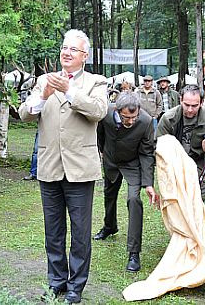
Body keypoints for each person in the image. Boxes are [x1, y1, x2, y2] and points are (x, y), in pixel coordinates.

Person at [19, 29, 108, 304]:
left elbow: (98, 111)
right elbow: (24, 114)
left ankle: (75, 287)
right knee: (53, 231)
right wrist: (44, 95)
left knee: (80, 233)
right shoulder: (44, 80)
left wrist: (69, 90)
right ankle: (56, 283)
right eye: (64, 48)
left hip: (80, 169)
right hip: (49, 166)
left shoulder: (96, 81)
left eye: (73, 49)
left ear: (85, 56)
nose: (66, 53)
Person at [93, 92, 159, 273]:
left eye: (133, 117)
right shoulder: (105, 114)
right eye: (126, 117)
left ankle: (134, 253)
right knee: (109, 195)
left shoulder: (145, 121)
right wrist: (104, 153)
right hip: (111, 161)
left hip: (133, 164)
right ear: (117, 110)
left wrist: (148, 184)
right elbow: (100, 137)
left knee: (134, 200)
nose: (130, 121)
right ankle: (109, 226)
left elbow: (147, 153)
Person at [156, 84, 205, 201]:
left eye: (194, 106)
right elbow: (158, 144)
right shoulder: (168, 118)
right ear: (180, 100)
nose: (190, 109)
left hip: (201, 164)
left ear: (202, 102)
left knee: (196, 203)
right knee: (177, 203)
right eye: (186, 105)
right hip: (175, 166)